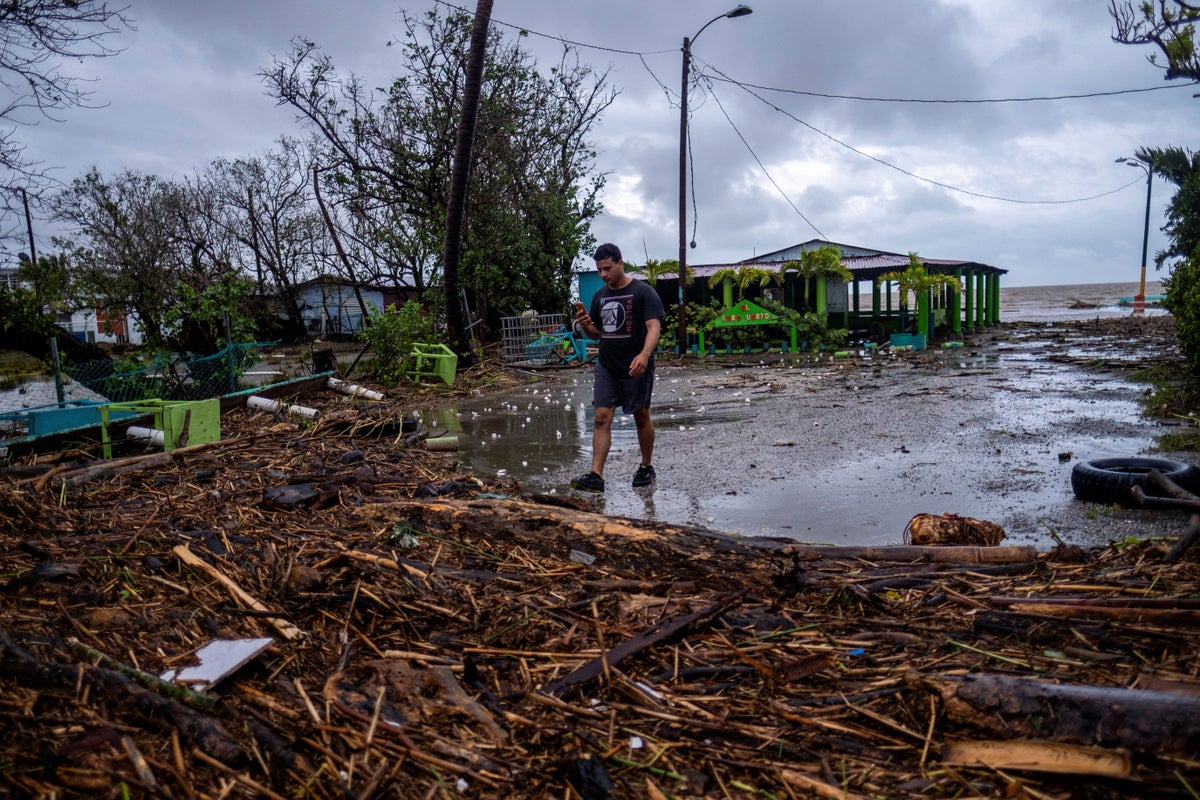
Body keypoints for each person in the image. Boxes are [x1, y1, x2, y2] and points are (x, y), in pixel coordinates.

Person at [571, 242, 665, 493]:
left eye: (607, 268)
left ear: (620, 263)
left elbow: (653, 327)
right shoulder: (600, 296)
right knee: (601, 418)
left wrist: (645, 355)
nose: (603, 274)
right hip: (607, 366)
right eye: (599, 269)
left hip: (636, 365)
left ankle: (646, 467)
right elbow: (597, 334)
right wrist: (585, 323)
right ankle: (596, 475)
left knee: (641, 415)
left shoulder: (643, 292)